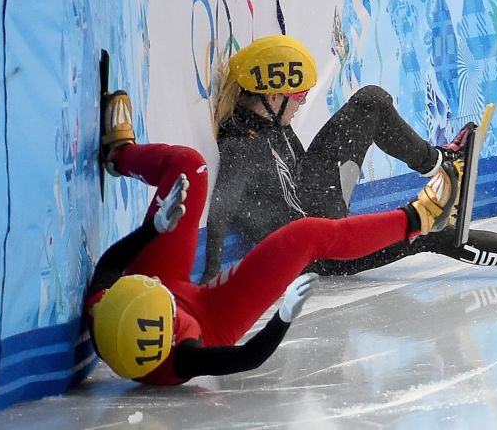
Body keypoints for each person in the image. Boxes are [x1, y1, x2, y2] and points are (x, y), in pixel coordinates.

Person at [87, 89, 460, 383]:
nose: (168, 296)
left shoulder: (101, 311)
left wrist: (153, 230)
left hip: (158, 290)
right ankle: (419, 218)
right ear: (170, 335)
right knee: (307, 236)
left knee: (191, 167)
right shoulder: (186, 357)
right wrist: (282, 316)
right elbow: (248, 357)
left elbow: (111, 263)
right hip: (213, 319)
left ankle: (119, 155)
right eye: (168, 304)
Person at [202, 34, 497, 282]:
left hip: (317, 206)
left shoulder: (272, 123)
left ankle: (441, 162)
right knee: (431, 231)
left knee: (370, 100)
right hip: (323, 251)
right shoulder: (243, 148)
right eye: (297, 94)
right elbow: (219, 210)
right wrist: (206, 281)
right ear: (272, 95)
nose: (304, 101)